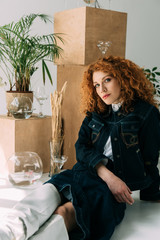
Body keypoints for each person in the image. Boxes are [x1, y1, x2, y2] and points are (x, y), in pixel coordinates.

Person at [1, 56, 160, 240]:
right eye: (97, 85)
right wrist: (108, 176)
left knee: (65, 212)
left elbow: (150, 159)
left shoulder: (146, 113)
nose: (102, 90)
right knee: (48, 192)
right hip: (86, 172)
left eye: (107, 80)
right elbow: (81, 147)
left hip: (108, 190)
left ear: (123, 77)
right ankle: (6, 233)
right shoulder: (96, 112)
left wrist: (151, 192)